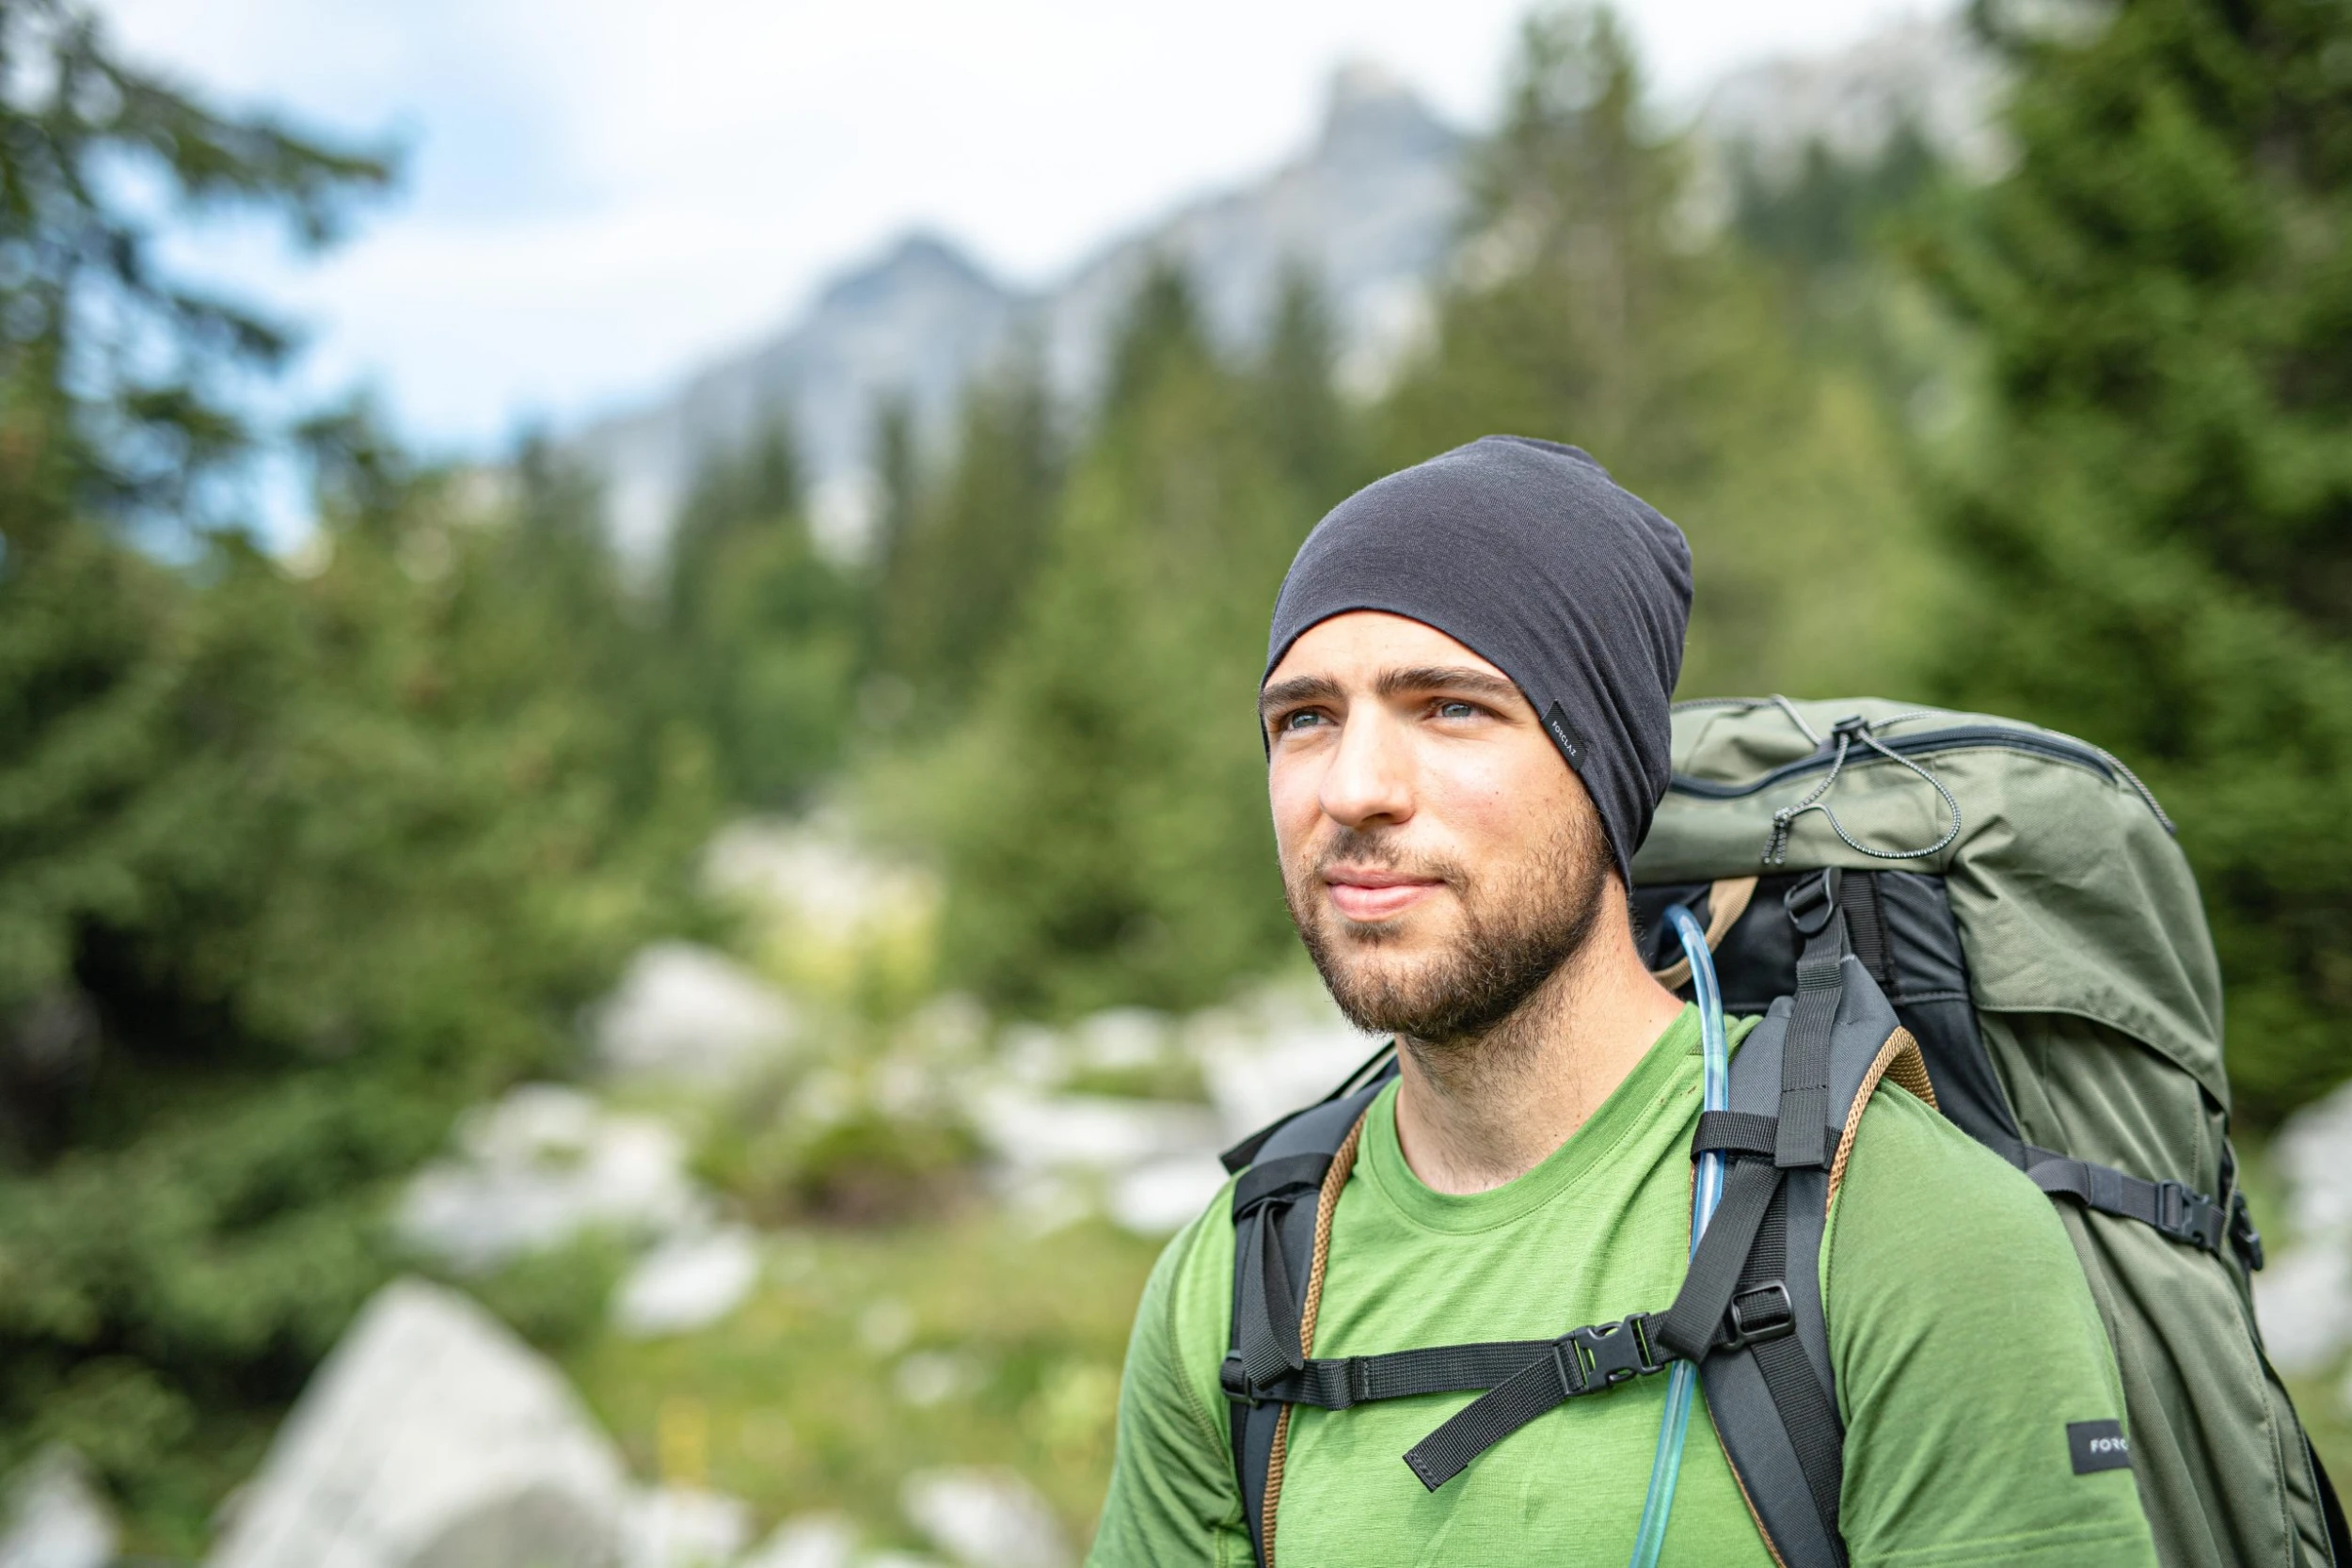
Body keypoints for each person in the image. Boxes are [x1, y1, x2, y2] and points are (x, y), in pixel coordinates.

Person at [1086, 436, 2159, 1566]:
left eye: (1450, 706)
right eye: (1303, 716)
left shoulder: (1904, 1226)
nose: (1354, 788)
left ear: (1603, 769)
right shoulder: (1238, 1274)